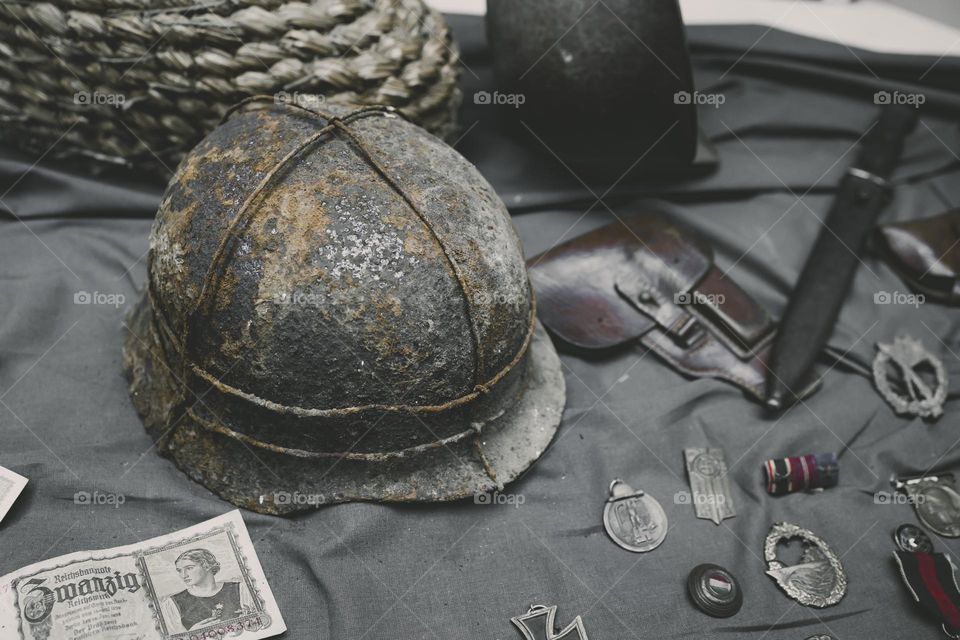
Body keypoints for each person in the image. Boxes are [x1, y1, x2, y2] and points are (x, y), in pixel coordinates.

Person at [160, 548, 255, 632]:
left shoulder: (240, 590)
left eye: (189, 568)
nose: (183, 575)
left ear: (206, 566)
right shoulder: (173, 603)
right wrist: (191, 633)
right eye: (179, 570)